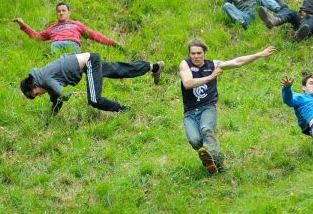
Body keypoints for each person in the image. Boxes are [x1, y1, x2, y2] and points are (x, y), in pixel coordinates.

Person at [179, 38, 275, 173]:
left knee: (206, 129)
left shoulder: (213, 64)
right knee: (195, 141)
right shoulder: (185, 64)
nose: (196, 56)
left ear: (204, 53)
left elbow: (237, 62)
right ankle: (208, 159)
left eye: (199, 53)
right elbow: (187, 83)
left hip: (207, 107)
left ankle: (218, 163)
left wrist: (258, 54)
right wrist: (210, 77)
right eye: (193, 53)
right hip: (189, 112)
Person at [20, 52, 164, 115]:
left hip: (89, 63)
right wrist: (52, 115)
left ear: (34, 85)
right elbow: (56, 98)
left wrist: (65, 94)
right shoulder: (43, 78)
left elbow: (60, 93)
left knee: (94, 100)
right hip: (89, 60)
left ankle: (124, 110)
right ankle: (154, 67)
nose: (40, 95)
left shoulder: (44, 79)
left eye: (37, 94)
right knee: (119, 70)